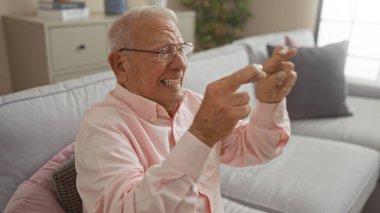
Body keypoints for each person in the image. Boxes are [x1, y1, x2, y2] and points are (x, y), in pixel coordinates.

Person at [75, 6, 297, 213]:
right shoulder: (101, 129)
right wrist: (200, 135)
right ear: (121, 65)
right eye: (163, 51)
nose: (181, 64)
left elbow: (255, 147)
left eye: (181, 49)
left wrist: (270, 101)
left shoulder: (194, 104)